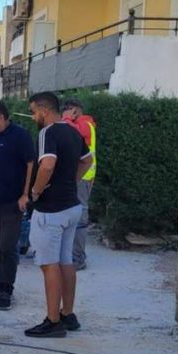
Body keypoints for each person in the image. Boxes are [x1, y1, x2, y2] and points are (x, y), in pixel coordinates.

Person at [25, 92, 93, 338]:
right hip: (72, 206)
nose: (34, 117)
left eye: (34, 112)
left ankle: (53, 321)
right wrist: (71, 182)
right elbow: (88, 160)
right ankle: (68, 313)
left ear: (44, 111)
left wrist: (36, 191)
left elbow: (48, 164)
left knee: (48, 264)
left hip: (51, 209)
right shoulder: (74, 132)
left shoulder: (48, 133)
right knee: (66, 260)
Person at [0, 100, 35, 311]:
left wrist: (25, 194)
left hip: (11, 203)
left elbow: (30, 164)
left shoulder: (20, 136)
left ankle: (6, 289)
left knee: (7, 246)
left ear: (1, 117)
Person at [62, 98, 97, 270]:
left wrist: (66, 119)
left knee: (80, 218)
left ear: (75, 110)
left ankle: (78, 259)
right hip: (81, 176)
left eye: (68, 111)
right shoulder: (84, 124)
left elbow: (73, 135)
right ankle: (73, 256)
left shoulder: (84, 124)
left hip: (83, 177)